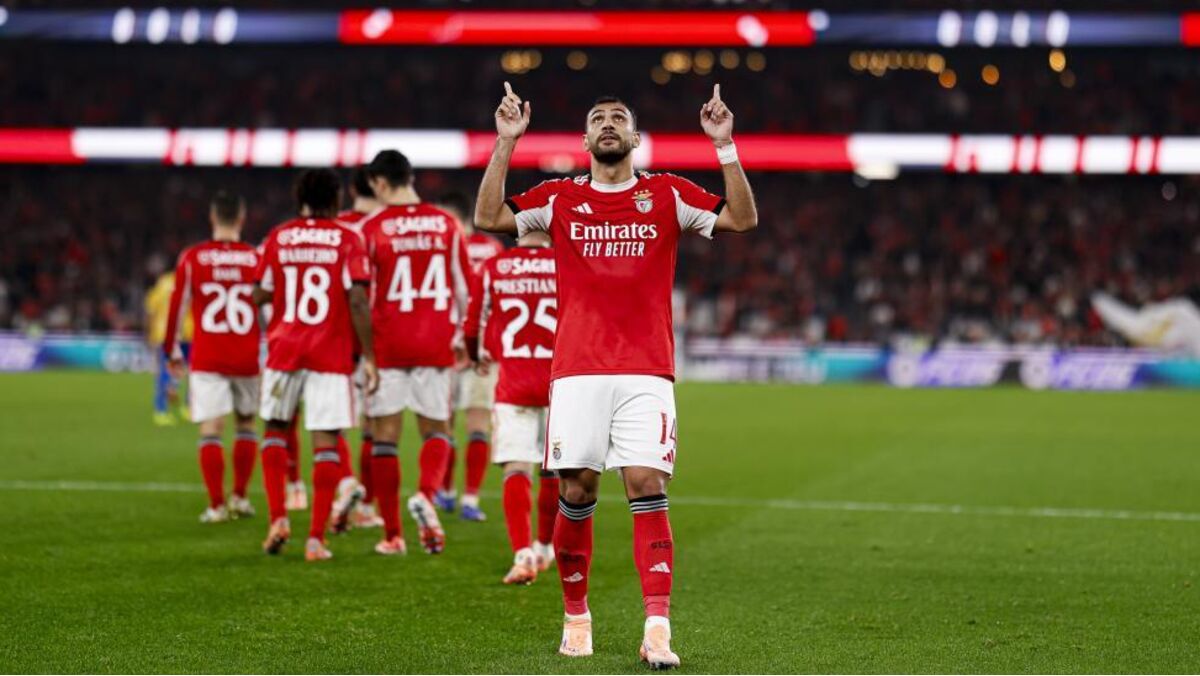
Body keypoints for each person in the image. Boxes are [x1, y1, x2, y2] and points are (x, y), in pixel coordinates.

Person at [474, 83, 757, 667]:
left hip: (647, 371)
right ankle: (576, 617)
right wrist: (506, 142)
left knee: (648, 485)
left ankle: (657, 627)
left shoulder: (667, 193)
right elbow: (487, 217)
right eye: (598, 117)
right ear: (585, 140)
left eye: (618, 118)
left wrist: (724, 146)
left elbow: (742, 218)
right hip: (577, 371)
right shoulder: (559, 197)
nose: (608, 123)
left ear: (634, 137)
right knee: (577, 490)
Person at [253, 168, 379, 561]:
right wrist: (369, 355)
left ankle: (278, 518)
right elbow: (357, 300)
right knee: (326, 442)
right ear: (336, 200)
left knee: (275, 431)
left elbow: (259, 293)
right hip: (329, 354)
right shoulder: (348, 238)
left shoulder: (279, 236)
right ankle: (315, 540)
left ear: (300, 199)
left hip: (284, 349)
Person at [360, 149, 472, 555]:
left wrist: (365, 354)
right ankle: (426, 494)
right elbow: (464, 288)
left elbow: (362, 295)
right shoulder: (446, 224)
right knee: (437, 431)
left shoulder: (372, 228)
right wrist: (464, 339)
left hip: (388, 344)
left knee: (384, 439)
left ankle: (392, 535)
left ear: (380, 183)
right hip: (435, 342)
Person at [463, 229, 558, 584]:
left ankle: (522, 553)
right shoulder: (568, 263)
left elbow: (472, 324)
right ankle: (545, 546)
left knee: (517, 467)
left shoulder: (493, 266)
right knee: (554, 468)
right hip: (559, 382)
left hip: (513, 380)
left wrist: (475, 355)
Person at [163, 191, 261, 523]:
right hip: (247, 355)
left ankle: (217, 506)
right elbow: (271, 309)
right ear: (242, 218)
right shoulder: (256, 258)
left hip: (208, 357)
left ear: (213, 217)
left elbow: (177, 306)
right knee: (246, 423)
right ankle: (240, 498)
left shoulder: (193, 257)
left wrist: (171, 350)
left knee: (211, 428)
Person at [435, 190, 506, 522]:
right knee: (477, 426)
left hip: (450, 347)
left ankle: (448, 492)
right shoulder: (492, 249)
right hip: (482, 348)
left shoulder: (443, 251)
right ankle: (468, 498)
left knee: (446, 425)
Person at [145, 267, 191, 425]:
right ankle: (187, 408)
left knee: (165, 372)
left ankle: (161, 411)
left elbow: (151, 309)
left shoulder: (163, 283)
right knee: (191, 372)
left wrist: (150, 333)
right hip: (186, 333)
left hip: (164, 334)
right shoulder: (191, 283)